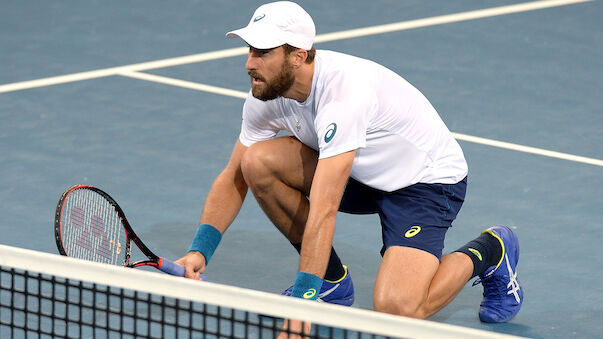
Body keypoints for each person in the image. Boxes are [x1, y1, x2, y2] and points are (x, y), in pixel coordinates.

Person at [176, 1, 523, 324]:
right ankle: (330, 282)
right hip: (359, 173)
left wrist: (302, 302)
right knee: (255, 162)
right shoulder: (267, 96)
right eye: (250, 50)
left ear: (298, 56)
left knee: (399, 309)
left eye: (263, 53)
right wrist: (199, 252)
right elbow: (232, 178)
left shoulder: (343, 98)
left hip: (423, 184)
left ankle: (492, 250)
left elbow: (324, 208)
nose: (249, 63)